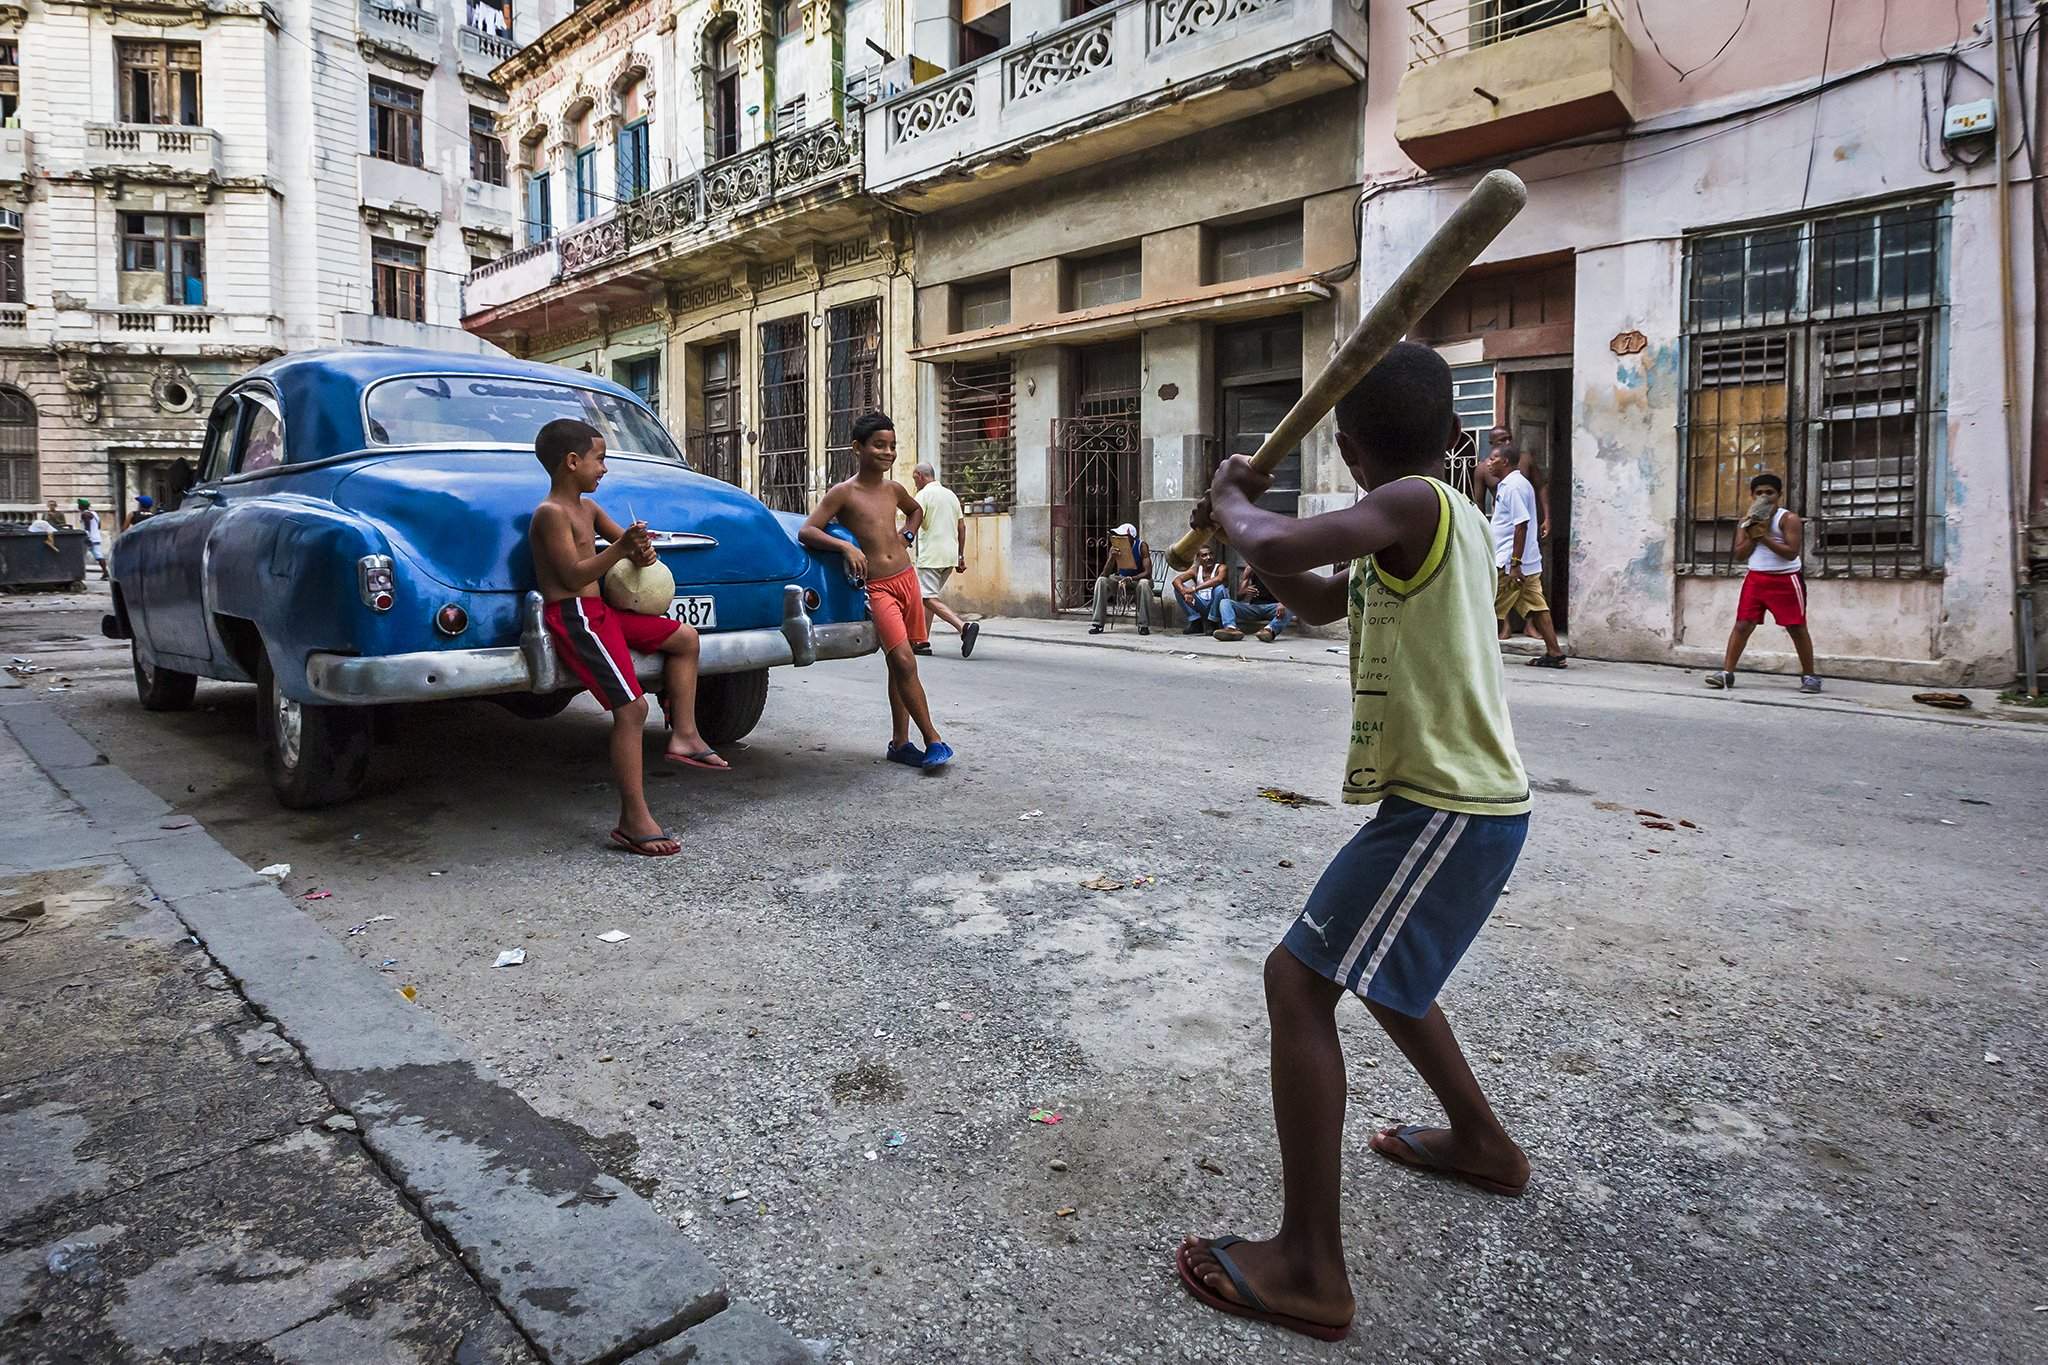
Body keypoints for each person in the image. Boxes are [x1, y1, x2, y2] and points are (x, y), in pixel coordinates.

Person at [1176, 343, 1532, 1344]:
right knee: (1379, 978)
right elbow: (1314, 593)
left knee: (1296, 983)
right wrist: (1250, 538)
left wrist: (1234, 496)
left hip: (1446, 809)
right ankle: (1480, 1143)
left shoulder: (1418, 505)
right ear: (1457, 435)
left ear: (1344, 445)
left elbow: (1283, 548)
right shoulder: (1415, 531)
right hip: (1452, 808)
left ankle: (1308, 1267)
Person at [528, 418, 726, 859]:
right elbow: (573, 574)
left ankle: (685, 735)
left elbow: (628, 546)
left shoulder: (589, 509)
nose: (604, 469)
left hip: (604, 612)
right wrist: (617, 551)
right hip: (574, 615)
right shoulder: (550, 514)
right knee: (632, 707)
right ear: (572, 462)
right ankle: (633, 818)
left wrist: (641, 547)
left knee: (685, 638)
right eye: (599, 460)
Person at [800, 412, 953, 769]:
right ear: (858, 448)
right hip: (878, 587)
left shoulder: (894, 490)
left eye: (892, 446)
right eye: (879, 445)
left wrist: (908, 535)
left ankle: (900, 743)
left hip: (906, 579)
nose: (888, 452)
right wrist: (847, 548)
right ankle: (933, 739)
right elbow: (808, 530)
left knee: (898, 664)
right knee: (903, 660)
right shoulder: (843, 493)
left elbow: (915, 512)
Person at [1705, 472, 1821, 694]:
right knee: (1742, 625)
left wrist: (1764, 536)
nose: (1764, 496)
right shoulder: (1746, 521)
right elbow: (1740, 555)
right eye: (1759, 493)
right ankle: (1726, 674)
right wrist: (1752, 533)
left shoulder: (1788, 519)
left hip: (1786, 578)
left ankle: (1810, 676)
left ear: (1779, 495)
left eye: (1770, 492)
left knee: (1796, 627)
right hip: (1756, 578)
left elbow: (1791, 553)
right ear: (1752, 496)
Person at [1486, 449, 1566, 668]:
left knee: (1487, 608)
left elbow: (1521, 524)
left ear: (1505, 461)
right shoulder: (1514, 484)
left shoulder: (1513, 487)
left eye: (1492, 458)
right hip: (1526, 563)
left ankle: (1478, 658)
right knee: (1537, 607)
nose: (1488, 462)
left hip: (1511, 564)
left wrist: (1515, 563)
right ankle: (1555, 653)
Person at [910, 462, 978, 659]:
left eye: (915, 479)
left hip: (931, 555)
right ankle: (921, 641)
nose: (915, 483)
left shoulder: (923, 496)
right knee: (929, 597)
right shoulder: (951, 495)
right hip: (949, 556)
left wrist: (903, 539)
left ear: (920, 476)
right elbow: (962, 528)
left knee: (926, 597)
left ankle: (963, 627)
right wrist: (960, 556)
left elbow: (914, 522)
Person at [1088, 522, 1155, 635]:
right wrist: (1111, 558)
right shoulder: (1115, 547)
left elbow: (1148, 573)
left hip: (1138, 580)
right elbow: (1104, 574)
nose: (1119, 538)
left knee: (1144, 583)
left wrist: (1131, 578)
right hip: (1121, 579)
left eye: (1122, 536)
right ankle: (1097, 624)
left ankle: (1143, 625)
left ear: (1130, 536)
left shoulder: (1141, 546)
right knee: (1101, 581)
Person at [1213, 564, 1293, 643]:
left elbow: (1291, 592)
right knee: (1225, 602)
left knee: (1291, 607)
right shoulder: (1252, 569)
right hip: (1254, 608)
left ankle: (1269, 630)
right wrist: (1245, 591)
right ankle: (1231, 629)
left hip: (1273, 608)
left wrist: (1283, 603)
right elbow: (1239, 596)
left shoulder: (1281, 570)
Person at [1171, 542, 1230, 635]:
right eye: (1204, 555)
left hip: (1215, 605)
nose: (1209, 557)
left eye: (1210, 554)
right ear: (1198, 558)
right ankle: (1196, 623)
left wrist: (1194, 589)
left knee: (1220, 588)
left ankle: (1213, 623)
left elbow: (1219, 579)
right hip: (1201, 604)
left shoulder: (1221, 567)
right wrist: (1184, 593)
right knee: (1178, 590)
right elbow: (1176, 580)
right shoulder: (1196, 570)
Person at [77, 499, 107, 580]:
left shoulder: (85, 514)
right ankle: (105, 572)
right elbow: (99, 526)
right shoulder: (95, 514)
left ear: (81, 506)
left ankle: (79, 574)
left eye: (79, 505)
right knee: (99, 555)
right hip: (96, 537)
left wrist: (88, 537)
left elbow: (87, 526)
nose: (78, 506)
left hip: (89, 538)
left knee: (79, 556)